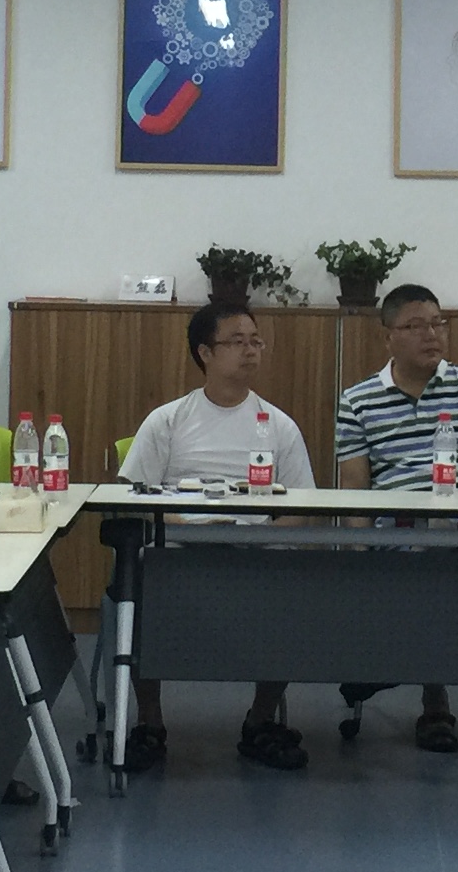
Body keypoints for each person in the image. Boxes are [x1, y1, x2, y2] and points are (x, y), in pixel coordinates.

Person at [120, 303, 319, 771]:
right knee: (138, 584)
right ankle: (150, 722)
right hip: (179, 551)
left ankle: (260, 721)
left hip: (255, 554)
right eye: (237, 341)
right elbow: (134, 498)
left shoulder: (278, 425)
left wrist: (261, 537)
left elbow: (302, 510)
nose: (250, 351)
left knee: (295, 585)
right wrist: (184, 529)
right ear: (205, 352)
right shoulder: (168, 420)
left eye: (256, 341)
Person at [332, 284, 458, 754]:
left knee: (439, 554)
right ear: (388, 337)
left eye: (437, 323)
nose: (431, 334)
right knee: (413, 556)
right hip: (396, 530)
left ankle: (412, 681)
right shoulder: (358, 400)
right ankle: (425, 691)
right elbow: (354, 490)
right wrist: (356, 554)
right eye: (415, 326)